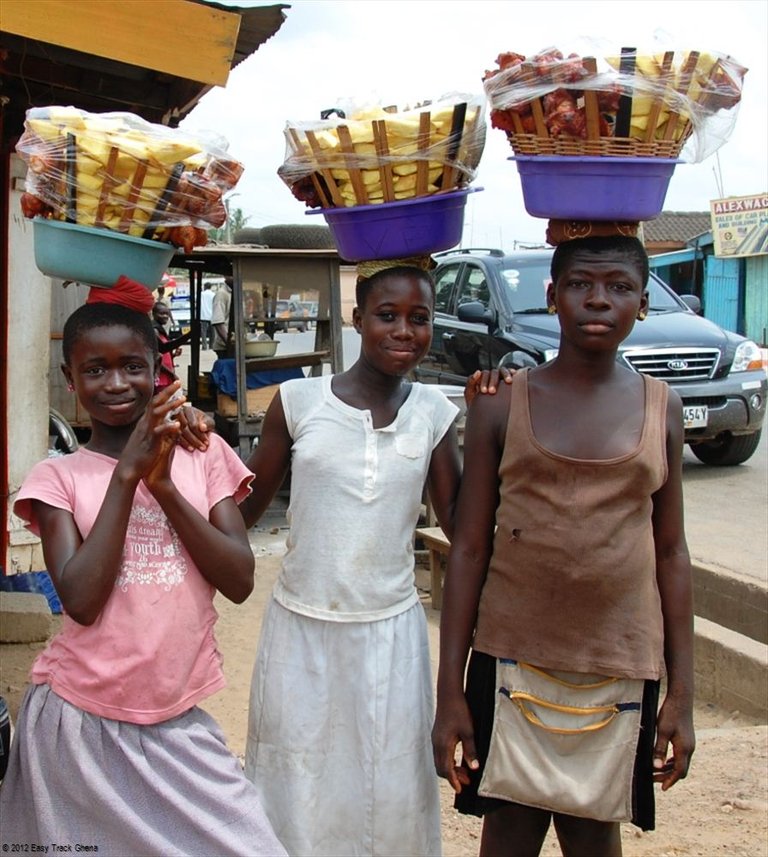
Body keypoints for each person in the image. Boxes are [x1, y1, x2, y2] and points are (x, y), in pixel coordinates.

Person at [0, 279, 286, 857]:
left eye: (132, 366)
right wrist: (127, 475)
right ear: (70, 377)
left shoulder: (203, 456)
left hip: (176, 722)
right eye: (95, 370)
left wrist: (162, 483)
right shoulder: (56, 480)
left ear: (157, 367)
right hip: (78, 723)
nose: (115, 384)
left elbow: (238, 579)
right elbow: (79, 600)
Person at [431, 235, 696, 857]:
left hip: (618, 661)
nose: (598, 301)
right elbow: (468, 551)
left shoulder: (664, 409)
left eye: (619, 287)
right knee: (511, 830)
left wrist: (681, 697)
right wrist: (450, 690)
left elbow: (671, 554)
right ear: (552, 297)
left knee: (592, 828)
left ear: (643, 304)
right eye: (580, 285)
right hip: (511, 655)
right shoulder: (503, 405)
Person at [238, 261, 463, 856]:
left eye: (420, 319)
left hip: (390, 635)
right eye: (387, 316)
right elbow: (243, 510)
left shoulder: (435, 414)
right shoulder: (299, 402)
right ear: (357, 319)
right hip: (301, 629)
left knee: (387, 788)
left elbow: (465, 531)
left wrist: (497, 426)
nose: (404, 331)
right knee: (296, 778)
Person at [152, 300, 192, 389]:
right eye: (161, 314)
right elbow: (159, 353)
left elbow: (164, 352)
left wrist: (173, 355)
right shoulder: (154, 330)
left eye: (167, 314)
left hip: (166, 376)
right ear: (154, 314)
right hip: (161, 378)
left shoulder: (161, 330)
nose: (165, 316)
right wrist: (172, 374)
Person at [211, 274, 233, 358]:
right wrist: (229, 344)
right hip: (225, 347)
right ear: (225, 276)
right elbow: (218, 322)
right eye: (230, 274)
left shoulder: (237, 292)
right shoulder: (221, 294)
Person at [200, 281, 215, 350]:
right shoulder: (213, 294)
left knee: (204, 332)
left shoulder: (201, 294)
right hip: (212, 315)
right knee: (212, 332)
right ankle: (212, 345)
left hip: (203, 315)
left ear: (205, 287)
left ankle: (204, 346)